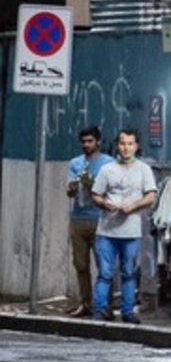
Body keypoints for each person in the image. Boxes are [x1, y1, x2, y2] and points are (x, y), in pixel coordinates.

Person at [89, 129, 157, 324]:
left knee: (128, 273)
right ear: (117, 145)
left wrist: (133, 205)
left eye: (130, 144)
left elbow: (151, 196)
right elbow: (96, 194)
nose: (126, 148)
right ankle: (100, 310)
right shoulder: (107, 170)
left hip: (131, 231)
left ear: (136, 146)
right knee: (105, 274)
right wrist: (104, 204)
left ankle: (127, 311)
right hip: (106, 231)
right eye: (122, 143)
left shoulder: (144, 170)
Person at [65, 125, 114, 318]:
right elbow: (69, 192)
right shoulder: (75, 163)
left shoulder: (108, 163)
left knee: (103, 264)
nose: (86, 145)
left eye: (90, 141)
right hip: (78, 218)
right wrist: (73, 187)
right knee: (80, 264)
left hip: (100, 219)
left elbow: (113, 189)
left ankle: (106, 305)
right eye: (84, 142)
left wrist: (94, 185)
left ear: (98, 142)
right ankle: (85, 303)